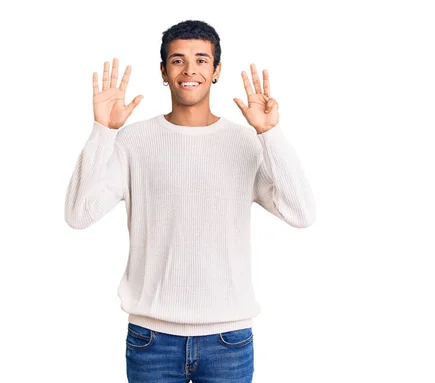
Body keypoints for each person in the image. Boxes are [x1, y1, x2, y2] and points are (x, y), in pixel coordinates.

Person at [64, 19, 316, 383]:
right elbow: (78, 214)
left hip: (228, 339)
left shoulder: (245, 143)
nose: (189, 70)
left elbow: (302, 212)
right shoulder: (133, 142)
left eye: (201, 59)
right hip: (151, 340)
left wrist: (269, 134)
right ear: (164, 72)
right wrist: (103, 131)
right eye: (178, 60)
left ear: (216, 71)